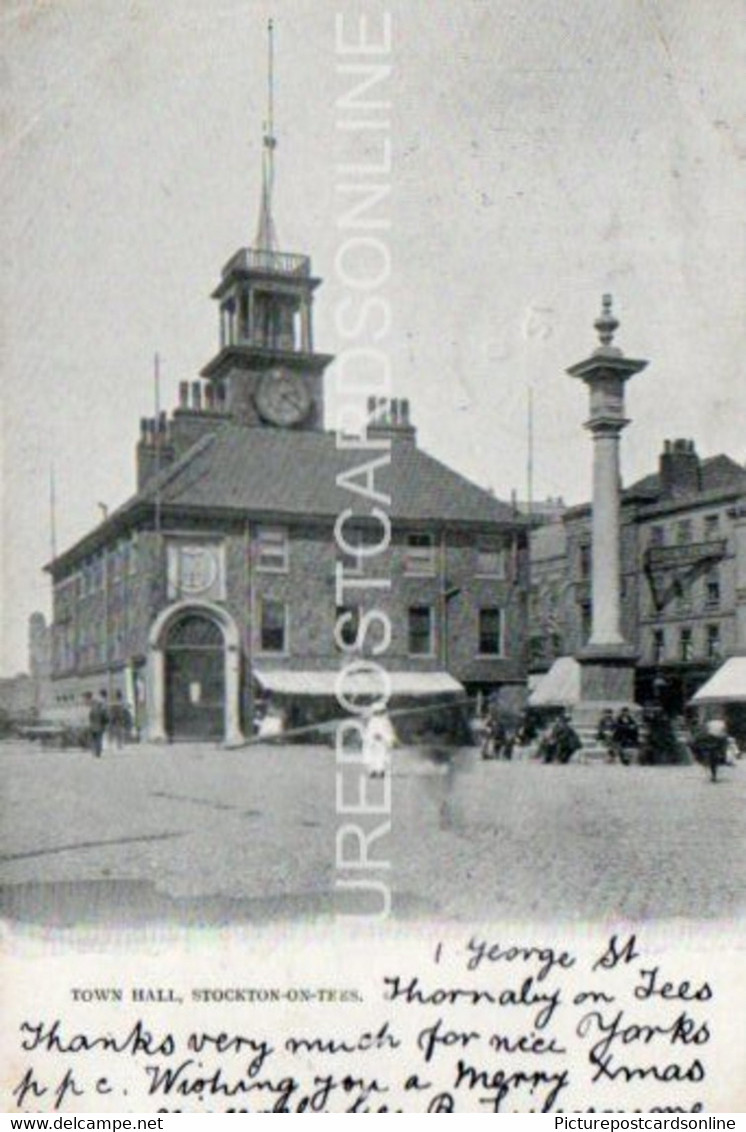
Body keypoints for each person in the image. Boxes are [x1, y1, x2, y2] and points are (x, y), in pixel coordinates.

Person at [364, 708, 397, 778]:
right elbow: (369, 731)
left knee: (382, 756)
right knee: (373, 756)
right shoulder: (372, 721)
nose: (379, 714)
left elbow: (389, 731)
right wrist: (374, 736)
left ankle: (381, 771)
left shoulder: (386, 721)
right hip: (373, 741)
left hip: (383, 742)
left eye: (381, 712)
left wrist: (389, 739)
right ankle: (373, 771)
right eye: (378, 712)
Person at [88, 690, 108, 758]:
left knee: (94, 739)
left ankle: (94, 751)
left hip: (93, 727)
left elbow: (90, 718)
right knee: (99, 739)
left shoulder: (92, 710)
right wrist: (105, 724)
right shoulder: (101, 711)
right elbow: (105, 718)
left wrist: (91, 724)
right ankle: (98, 752)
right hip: (100, 726)